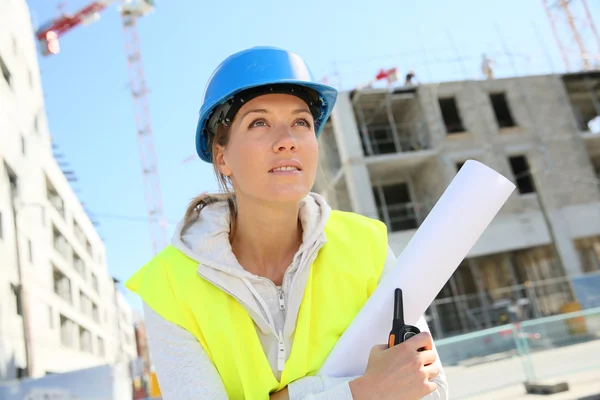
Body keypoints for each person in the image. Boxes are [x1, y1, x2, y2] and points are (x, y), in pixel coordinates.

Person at [126, 46, 449, 400]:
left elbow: (430, 388)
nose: (287, 141)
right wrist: (361, 392)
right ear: (222, 156)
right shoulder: (168, 286)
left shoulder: (364, 245)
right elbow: (390, 386)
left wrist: (288, 395)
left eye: (301, 122)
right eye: (259, 122)